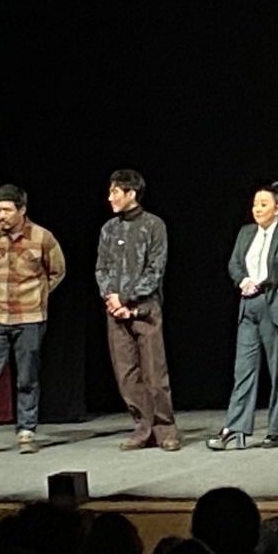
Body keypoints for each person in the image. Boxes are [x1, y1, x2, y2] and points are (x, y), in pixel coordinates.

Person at [206, 182, 278, 451]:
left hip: (276, 307)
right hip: (249, 306)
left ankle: (276, 430)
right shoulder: (246, 233)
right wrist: (242, 280)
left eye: (263, 204)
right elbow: (234, 263)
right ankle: (234, 428)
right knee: (243, 370)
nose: (257, 209)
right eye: (255, 204)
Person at [0, 184, 66, 458]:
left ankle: (26, 431)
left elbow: (57, 272)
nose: (1, 215)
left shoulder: (42, 237)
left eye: (7, 210)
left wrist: (38, 296)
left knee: (27, 377)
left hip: (30, 317)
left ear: (21, 210)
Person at [93, 169, 177, 451]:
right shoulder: (109, 229)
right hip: (115, 311)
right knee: (127, 375)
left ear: (131, 193)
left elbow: (156, 270)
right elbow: (101, 268)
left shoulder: (154, 226)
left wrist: (128, 298)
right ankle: (143, 428)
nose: (110, 197)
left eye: (115, 192)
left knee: (155, 372)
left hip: (146, 309)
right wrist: (112, 299)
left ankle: (165, 429)